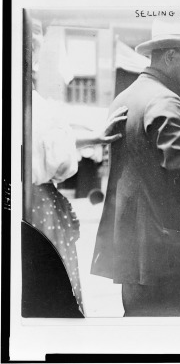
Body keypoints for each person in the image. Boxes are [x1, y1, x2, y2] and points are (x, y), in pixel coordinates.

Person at [90, 20, 180, 317]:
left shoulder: (127, 96)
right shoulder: (166, 101)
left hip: (136, 258)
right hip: (170, 260)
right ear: (170, 56)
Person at [25, 18, 128, 317]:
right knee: (49, 289)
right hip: (37, 206)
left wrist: (92, 137)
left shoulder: (34, 104)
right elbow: (52, 151)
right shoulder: (30, 104)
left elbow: (49, 140)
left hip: (36, 203)